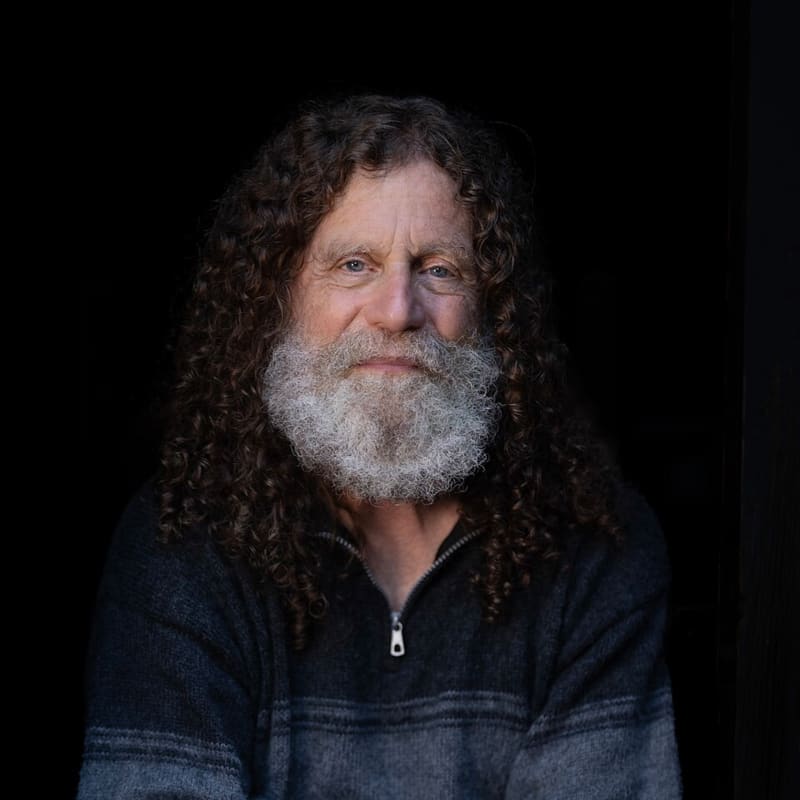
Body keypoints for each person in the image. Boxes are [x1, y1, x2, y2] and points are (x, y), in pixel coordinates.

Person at [77, 93, 682, 798]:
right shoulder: (179, 547)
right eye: (355, 265)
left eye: (439, 269)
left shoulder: (595, 550)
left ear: (493, 314)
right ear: (279, 299)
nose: (398, 311)